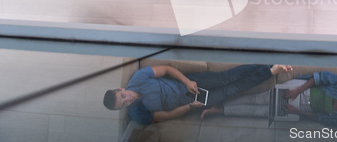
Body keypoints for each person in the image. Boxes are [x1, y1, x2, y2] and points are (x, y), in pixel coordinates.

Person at [103, 64, 293, 124]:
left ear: (121, 89)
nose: (128, 100)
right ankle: (270, 72)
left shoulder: (138, 78)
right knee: (232, 90)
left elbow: (167, 69)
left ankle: (266, 63)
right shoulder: (138, 115)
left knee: (228, 77)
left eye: (124, 97)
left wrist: (187, 81)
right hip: (191, 102)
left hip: (190, 83)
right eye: (125, 104)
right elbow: (167, 115)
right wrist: (189, 107)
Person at [200, 71, 337, 131]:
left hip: (300, 108)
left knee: (261, 112)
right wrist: (297, 90)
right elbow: (320, 77)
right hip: (302, 89)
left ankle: (219, 110)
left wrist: (299, 113)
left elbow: (321, 118)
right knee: (259, 100)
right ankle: (220, 103)